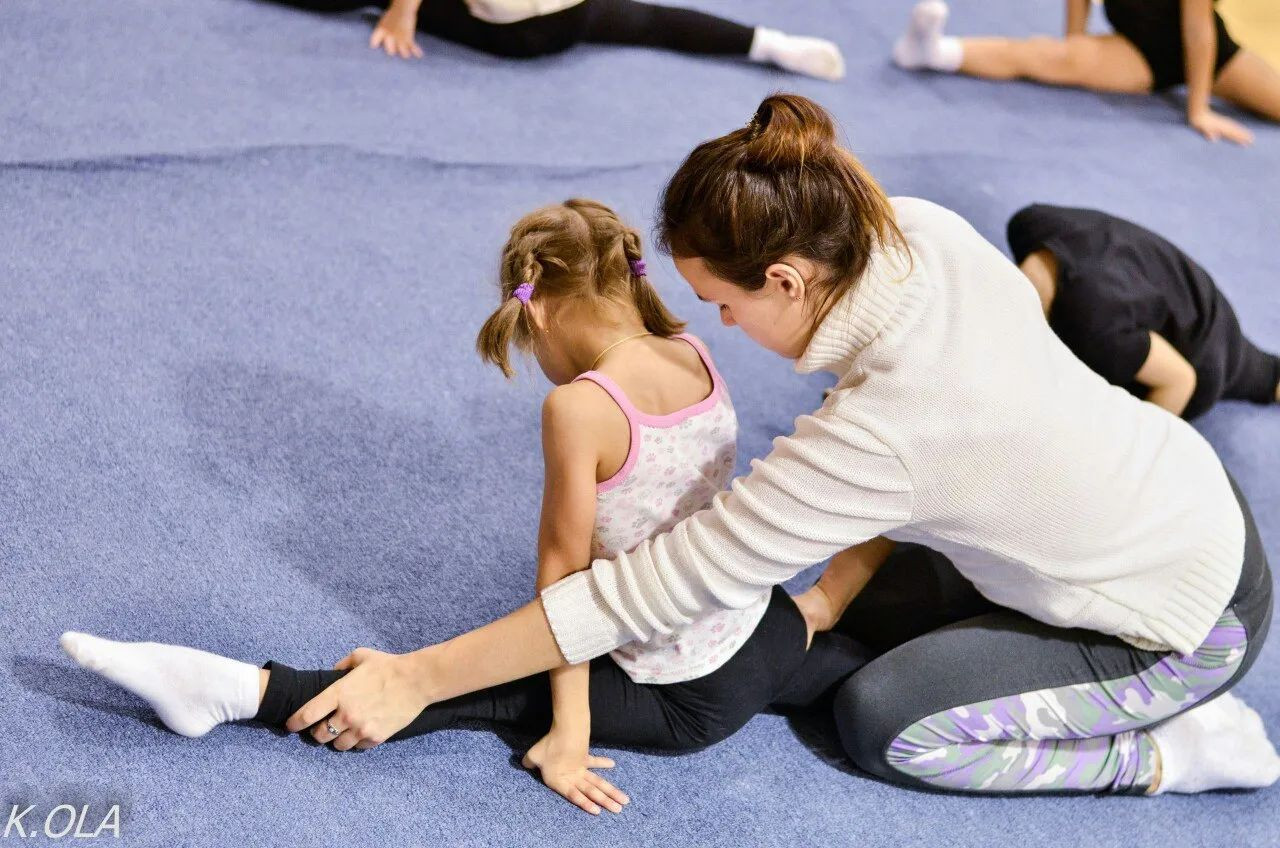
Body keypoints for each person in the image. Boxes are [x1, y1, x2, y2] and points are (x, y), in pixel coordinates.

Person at [261, 93, 1280, 798]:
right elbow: (938, 453)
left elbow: (639, 591)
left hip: (1178, 621)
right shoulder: (907, 227)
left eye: (718, 302)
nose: (716, 327)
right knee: (828, 620)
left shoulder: (876, 440)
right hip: (1175, 485)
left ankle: (1165, 756)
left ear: (786, 279)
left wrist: (420, 675)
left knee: (887, 721)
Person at [60, 199, 872, 815]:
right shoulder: (693, 348)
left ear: (541, 308)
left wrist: (571, 735)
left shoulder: (583, 409)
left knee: (491, 688)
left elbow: (567, 590)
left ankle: (238, 689)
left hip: (685, 693)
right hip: (764, 624)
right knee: (833, 671)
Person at [1007, 203, 1280, 420]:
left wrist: (1128, 451)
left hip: (1201, 359)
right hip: (1187, 295)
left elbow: (1181, 380)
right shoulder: (1028, 223)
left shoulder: (1093, 327)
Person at [891, 0, 1280, 145]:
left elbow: (1198, 31)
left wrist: (1199, 109)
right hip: (1137, 51)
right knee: (1040, 56)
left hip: (1208, 55)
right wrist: (1073, 46)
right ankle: (934, 50)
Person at [264, 0, 845, 80]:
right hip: (569, 21)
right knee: (647, 21)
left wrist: (401, 13)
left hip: (506, 33)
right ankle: (769, 42)